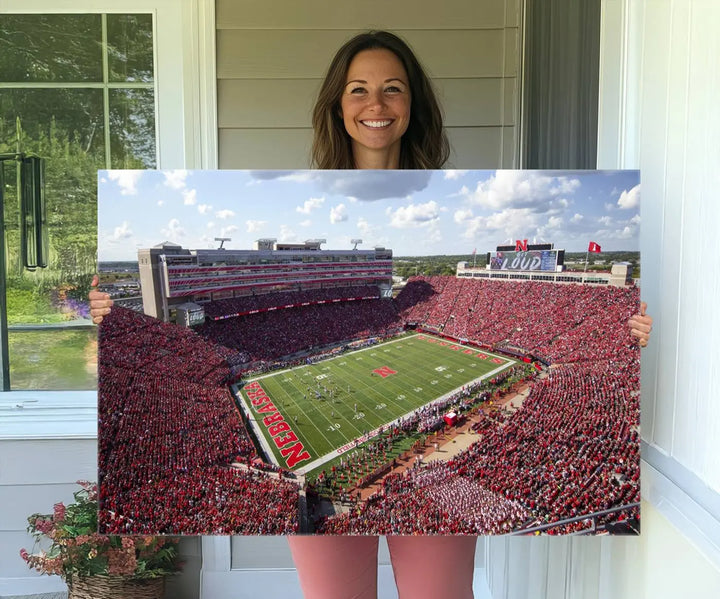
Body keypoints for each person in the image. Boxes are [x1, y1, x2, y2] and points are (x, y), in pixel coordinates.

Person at [89, 30, 653, 599]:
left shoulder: (475, 179)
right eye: (358, 90)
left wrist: (636, 333)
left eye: (393, 89)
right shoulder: (284, 182)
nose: (376, 105)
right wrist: (106, 320)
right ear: (338, 105)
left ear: (414, 104)